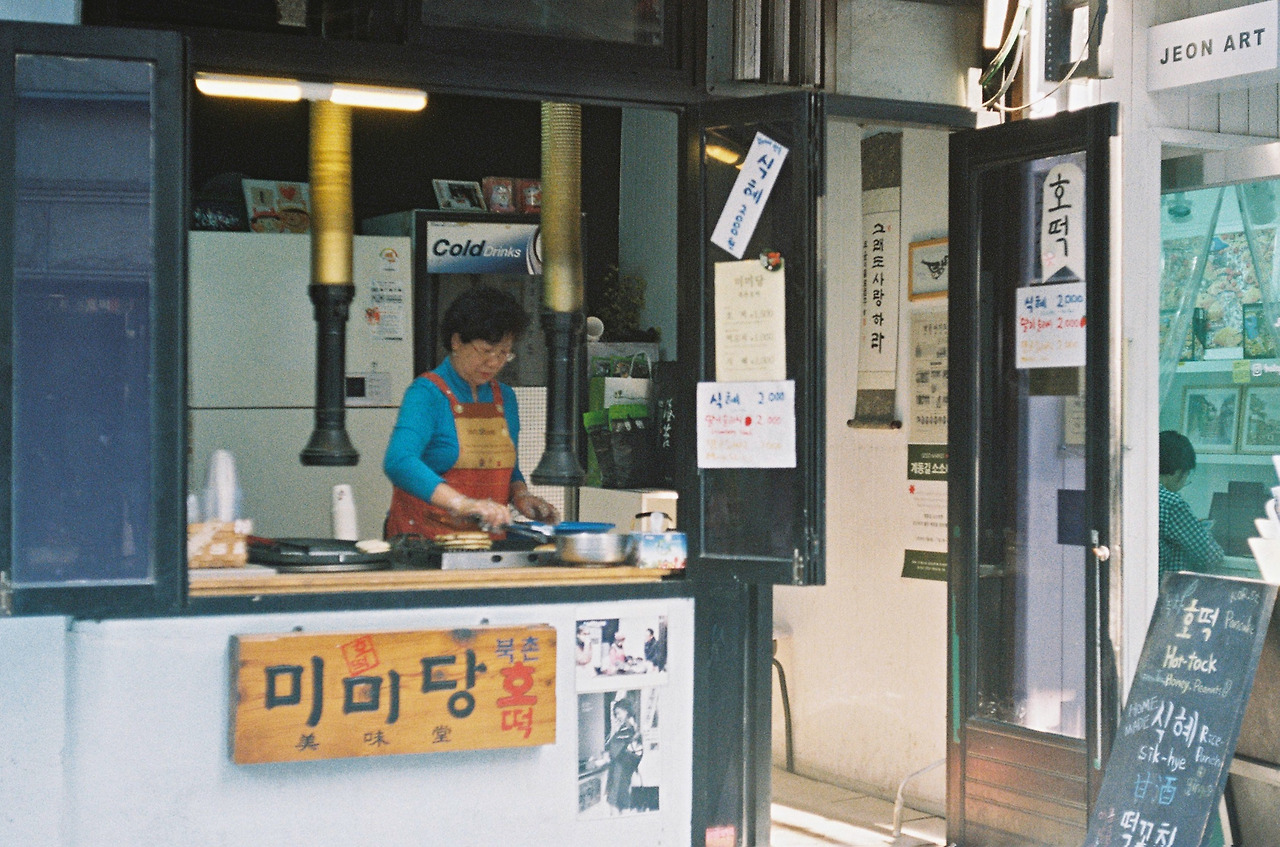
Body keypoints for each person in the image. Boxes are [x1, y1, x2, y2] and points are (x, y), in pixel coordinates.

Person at [383, 286, 558, 539]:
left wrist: (520, 495)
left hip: (486, 546)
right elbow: (399, 462)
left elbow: (510, 468)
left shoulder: (505, 398)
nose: (494, 362)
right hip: (424, 544)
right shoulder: (426, 393)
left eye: (503, 353)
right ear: (457, 341)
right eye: (486, 351)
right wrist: (463, 504)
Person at [1158, 429, 1225, 581]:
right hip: (1165, 593)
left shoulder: (1136, 494)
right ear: (1178, 471)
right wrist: (1199, 530)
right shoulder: (1172, 503)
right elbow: (1212, 556)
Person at [601, 698, 642, 814]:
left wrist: (614, 733)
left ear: (626, 711)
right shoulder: (634, 727)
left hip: (619, 770)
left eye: (618, 713)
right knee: (623, 801)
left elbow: (614, 751)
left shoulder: (625, 729)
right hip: (626, 771)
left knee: (614, 801)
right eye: (615, 714)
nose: (617, 716)